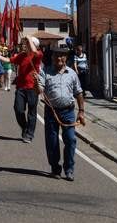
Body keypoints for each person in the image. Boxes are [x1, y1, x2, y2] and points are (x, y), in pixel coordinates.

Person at [36, 47, 86, 181]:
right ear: (52, 57)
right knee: (52, 141)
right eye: (56, 56)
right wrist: (37, 84)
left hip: (68, 111)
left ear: (66, 58)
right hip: (51, 111)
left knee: (70, 139)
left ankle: (69, 169)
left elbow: (79, 93)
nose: (59, 58)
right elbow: (39, 89)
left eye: (62, 56)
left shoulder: (72, 74)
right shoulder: (45, 71)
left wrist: (81, 111)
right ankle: (55, 168)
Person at [11, 36, 43, 143]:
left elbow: (34, 50)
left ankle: (29, 135)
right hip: (21, 87)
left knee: (32, 113)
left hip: (32, 88)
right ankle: (25, 127)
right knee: (18, 109)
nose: (26, 45)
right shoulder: (22, 55)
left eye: (28, 44)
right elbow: (10, 60)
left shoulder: (38, 54)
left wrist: (28, 38)